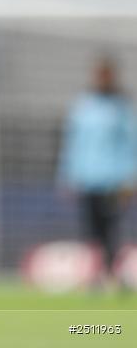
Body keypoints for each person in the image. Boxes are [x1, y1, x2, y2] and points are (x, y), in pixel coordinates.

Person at [59, 57, 137, 287]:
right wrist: (68, 175)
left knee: (112, 229)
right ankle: (95, 275)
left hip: (113, 180)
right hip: (87, 179)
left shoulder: (121, 108)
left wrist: (130, 178)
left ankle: (112, 274)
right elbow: (73, 144)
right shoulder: (83, 106)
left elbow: (130, 144)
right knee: (91, 229)